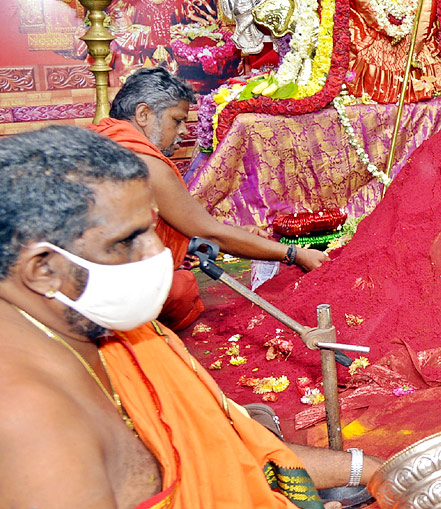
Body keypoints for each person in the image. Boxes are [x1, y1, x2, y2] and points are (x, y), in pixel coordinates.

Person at [0, 126, 441, 509]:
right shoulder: (25, 424)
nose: (158, 255)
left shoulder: (117, 331)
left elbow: (232, 447)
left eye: (152, 229)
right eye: (127, 242)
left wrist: (378, 473)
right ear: (43, 269)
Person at [90, 67, 329, 330]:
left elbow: (186, 226)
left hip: (79, 280)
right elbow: (210, 234)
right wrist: (295, 254)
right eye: (177, 120)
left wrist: (233, 231)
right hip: (103, 290)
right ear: (143, 114)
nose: (183, 131)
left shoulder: (104, 138)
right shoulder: (144, 162)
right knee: (182, 290)